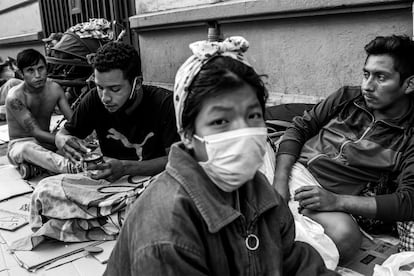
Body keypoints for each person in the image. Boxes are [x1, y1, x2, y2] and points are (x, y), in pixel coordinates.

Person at [104, 37, 338, 275]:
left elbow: (294, 263)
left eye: (252, 116)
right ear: (187, 134)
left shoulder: (261, 193)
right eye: (220, 121)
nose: (243, 135)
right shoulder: (167, 231)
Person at [274, 35, 414, 262]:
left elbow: (408, 200)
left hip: (319, 195)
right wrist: (279, 183)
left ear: (409, 84)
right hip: (285, 167)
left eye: (381, 77)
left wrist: (336, 201)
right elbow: (298, 128)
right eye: (366, 74)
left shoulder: (409, 135)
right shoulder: (347, 97)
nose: (367, 86)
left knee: (346, 237)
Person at [54, 41, 179, 181]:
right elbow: (63, 134)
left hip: (155, 180)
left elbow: (176, 161)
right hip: (110, 181)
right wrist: (63, 140)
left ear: (137, 84)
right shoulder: (94, 99)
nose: (105, 98)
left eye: (115, 89)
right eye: (100, 87)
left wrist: (126, 168)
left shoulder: (165, 104)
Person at [5, 49, 77, 179]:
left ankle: (35, 167)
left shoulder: (55, 89)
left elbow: (72, 121)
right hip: (21, 145)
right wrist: (62, 140)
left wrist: (75, 137)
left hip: (47, 143)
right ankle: (72, 167)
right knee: (28, 148)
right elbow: (36, 132)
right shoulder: (15, 97)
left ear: (46, 68)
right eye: (30, 70)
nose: (38, 75)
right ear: (21, 74)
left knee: (74, 142)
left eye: (41, 68)